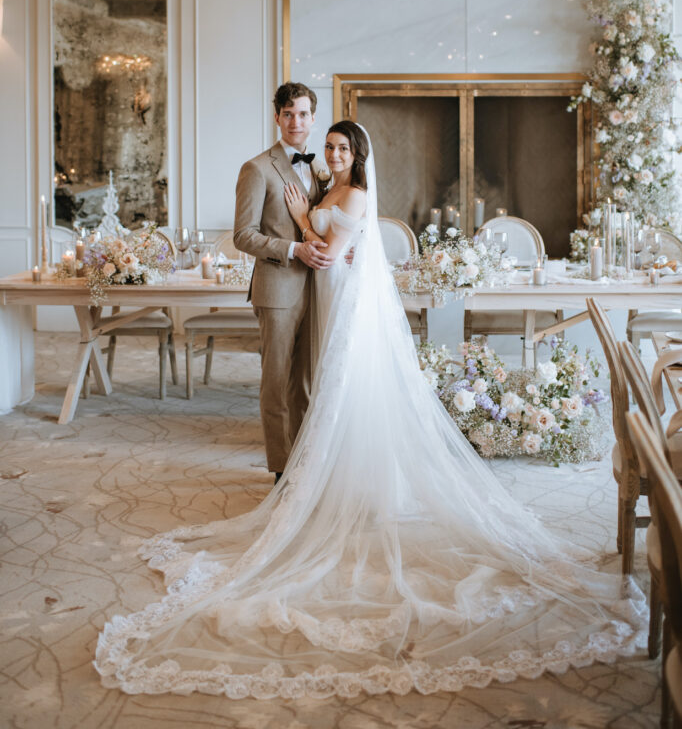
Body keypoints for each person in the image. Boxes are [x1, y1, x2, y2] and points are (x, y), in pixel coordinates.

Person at [95, 122, 646, 699]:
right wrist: (307, 212)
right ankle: (332, 476)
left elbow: (330, 255)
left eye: (341, 148)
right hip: (324, 296)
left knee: (343, 388)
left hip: (343, 299)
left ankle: (354, 484)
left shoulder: (352, 194)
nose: (332, 153)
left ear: (358, 156)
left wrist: (304, 220)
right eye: (328, 146)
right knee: (325, 390)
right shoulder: (322, 185)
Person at [233, 82, 329, 483]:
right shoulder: (257, 169)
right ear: (277, 118)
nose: (295, 121)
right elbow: (243, 235)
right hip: (277, 289)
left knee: (307, 380)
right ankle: (279, 469)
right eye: (288, 114)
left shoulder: (324, 170)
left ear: (312, 118)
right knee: (276, 380)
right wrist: (293, 250)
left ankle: (305, 463)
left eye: (303, 113)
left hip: (319, 289)